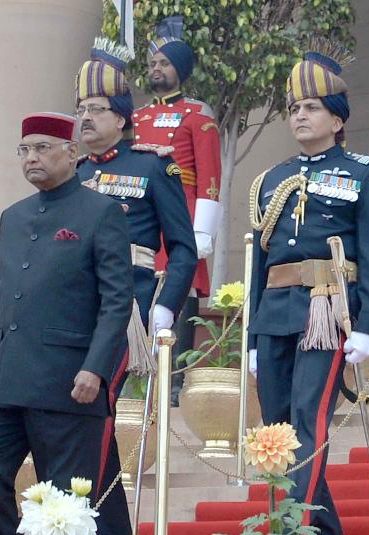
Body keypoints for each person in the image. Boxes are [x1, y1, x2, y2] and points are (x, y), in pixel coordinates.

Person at [0, 112, 133, 535]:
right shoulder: (12, 217)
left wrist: (96, 368)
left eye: (42, 148)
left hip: (69, 380)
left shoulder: (101, 212)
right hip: (6, 377)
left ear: (72, 153)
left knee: (63, 499)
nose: (32, 158)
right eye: (25, 150)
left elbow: (116, 301)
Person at [247, 41, 369, 535]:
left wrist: (368, 326)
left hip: (326, 310)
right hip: (275, 311)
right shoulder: (271, 180)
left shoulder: (364, 175)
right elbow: (260, 265)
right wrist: (251, 338)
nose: (300, 116)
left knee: (308, 417)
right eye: (294, 108)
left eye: (311, 107)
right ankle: (326, 534)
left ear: (337, 118)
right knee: (277, 426)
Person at [75, 38, 198, 535]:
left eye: (96, 109)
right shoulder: (73, 174)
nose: (84, 118)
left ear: (122, 118)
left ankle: (99, 534)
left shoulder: (152, 168)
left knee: (97, 409)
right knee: (82, 417)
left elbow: (184, 247)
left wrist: (165, 305)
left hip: (128, 306)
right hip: (74, 308)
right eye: (80, 109)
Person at [133, 15, 224, 405]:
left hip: (181, 209)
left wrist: (202, 230)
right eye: (153, 63)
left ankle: (173, 378)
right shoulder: (134, 119)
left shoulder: (197, 117)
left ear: (181, 70)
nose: (157, 69)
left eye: (165, 63)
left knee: (178, 283)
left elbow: (210, 175)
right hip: (142, 211)